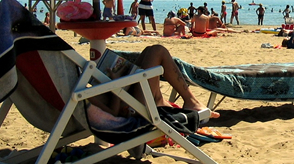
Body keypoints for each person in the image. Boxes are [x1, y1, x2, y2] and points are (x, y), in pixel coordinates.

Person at [88, 44, 217, 118]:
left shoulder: (81, 90)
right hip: (132, 107)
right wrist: (116, 85)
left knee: (149, 50)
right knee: (157, 51)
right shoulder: (82, 96)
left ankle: (169, 103)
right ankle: (191, 102)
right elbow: (113, 114)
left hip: (127, 95)